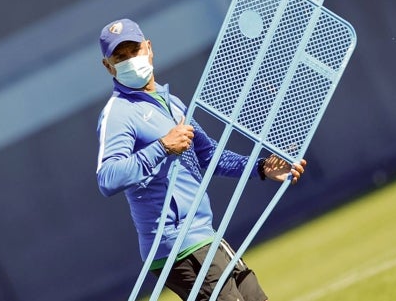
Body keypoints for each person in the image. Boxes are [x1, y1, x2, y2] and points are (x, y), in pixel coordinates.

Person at [95, 18, 306, 301]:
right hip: (175, 246)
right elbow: (108, 178)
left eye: (134, 50)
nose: (131, 60)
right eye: (120, 57)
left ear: (149, 48)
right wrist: (162, 146)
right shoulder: (118, 113)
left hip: (204, 235)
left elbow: (208, 156)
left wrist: (259, 168)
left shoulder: (172, 102)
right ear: (108, 66)